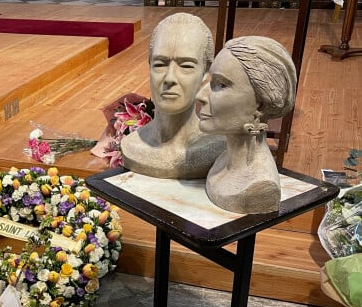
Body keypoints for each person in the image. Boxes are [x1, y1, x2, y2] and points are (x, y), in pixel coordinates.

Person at [195, 36, 296, 214]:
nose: (201, 96)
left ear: (261, 105)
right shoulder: (222, 160)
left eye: (220, 84)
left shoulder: (260, 185)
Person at [120, 14, 225, 179]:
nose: (169, 78)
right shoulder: (132, 145)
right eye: (160, 64)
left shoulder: (216, 147)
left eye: (186, 66)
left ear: (205, 71)